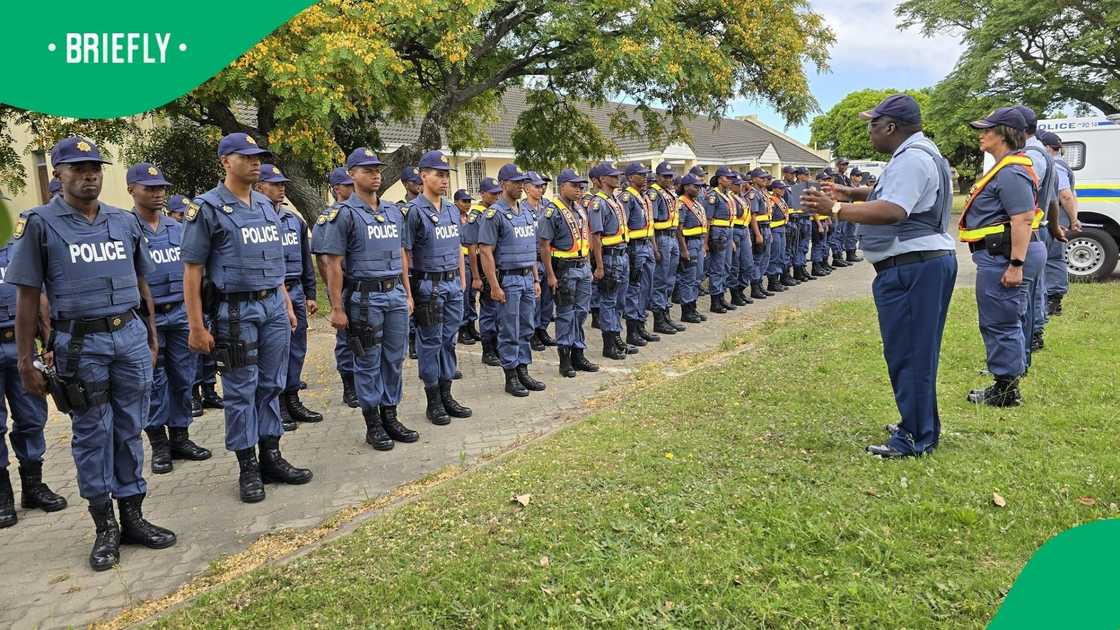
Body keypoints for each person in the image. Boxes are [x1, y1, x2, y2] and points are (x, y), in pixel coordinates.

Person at [7, 136, 176, 569]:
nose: (89, 176)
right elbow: (28, 298)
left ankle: (134, 517)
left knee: (128, 428)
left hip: (129, 337)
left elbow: (141, 282)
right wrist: (27, 360)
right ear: (58, 174)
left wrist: (151, 334)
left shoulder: (123, 222)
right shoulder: (40, 224)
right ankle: (105, 528)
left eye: (95, 168)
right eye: (78, 169)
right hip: (80, 346)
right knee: (92, 435)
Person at [801, 94, 957, 458]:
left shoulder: (912, 159)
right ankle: (919, 423)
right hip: (918, 265)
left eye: (873, 123)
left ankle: (916, 435)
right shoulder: (917, 154)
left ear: (891, 126)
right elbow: (896, 195)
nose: (869, 130)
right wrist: (853, 192)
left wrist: (837, 208)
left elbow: (893, 210)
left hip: (912, 268)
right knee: (915, 351)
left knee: (910, 353)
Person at [181, 132, 313, 504]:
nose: (256, 162)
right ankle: (247, 468)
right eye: (247, 157)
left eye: (259, 157)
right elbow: (192, 271)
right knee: (241, 391)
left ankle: (271, 456)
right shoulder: (206, 208)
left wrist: (285, 301)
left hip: (272, 305)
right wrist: (195, 325)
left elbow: (273, 263)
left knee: (271, 384)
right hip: (235, 311)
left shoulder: (265, 205)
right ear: (225, 161)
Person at [315, 148, 419, 450]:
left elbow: (401, 254)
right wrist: (336, 308)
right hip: (364, 298)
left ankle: (391, 415)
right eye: (367, 170)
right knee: (368, 361)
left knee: (394, 359)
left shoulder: (391, 211)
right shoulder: (344, 214)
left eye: (377, 170)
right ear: (352, 174)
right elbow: (332, 264)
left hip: (395, 295)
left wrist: (407, 293)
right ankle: (373, 423)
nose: (375, 175)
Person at [951, 107, 1042, 406]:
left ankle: (1005, 390)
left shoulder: (1012, 170)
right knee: (1006, 318)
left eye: (987, 129)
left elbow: (1023, 219)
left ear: (1003, 133)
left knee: (1000, 321)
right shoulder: (1005, 167)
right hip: (998, 255)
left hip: (1002, 256)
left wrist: (1016, 264)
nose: (981, 134)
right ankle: (1007, 382)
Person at [128, 163, 212, 474]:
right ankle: (159, 445)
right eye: (149, 188)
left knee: (183, 377)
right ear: (132, 191)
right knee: (152, 382)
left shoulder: (178, 228)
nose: (157, 193)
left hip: (179, 313)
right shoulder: (126, 227)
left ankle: (181, 437)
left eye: (161, 187)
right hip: (145, 318)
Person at [0, 235, 67, 529]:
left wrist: (49, 338)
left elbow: (38, 294)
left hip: (21, 346)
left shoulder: (18, 247)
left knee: (31, 418)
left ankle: (33, 486)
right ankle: (2, 496)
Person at [402, 151, 472, 423]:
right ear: (423, 177)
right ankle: (433, 401)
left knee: (449, 341)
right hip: (427, 287)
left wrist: (462, 281)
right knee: (430, 344)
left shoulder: (453, 210)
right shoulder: (413, 212)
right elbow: (404, 254)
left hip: (453, 284)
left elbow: (456, 245)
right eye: (438, 175)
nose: (444, 181)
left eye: (446, 176)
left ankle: (447, 394)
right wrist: (408, 293)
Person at [254, 164, 322, 429]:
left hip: (295, 290)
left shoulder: (294, 220)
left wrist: (311, 293)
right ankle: (278, 402)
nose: (282, 188)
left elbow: (306, 260)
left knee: (297, 348)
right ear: (260, 187)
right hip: (271, 292)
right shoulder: (256, 218)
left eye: (283, 184)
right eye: (275, 184)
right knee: (276, 351)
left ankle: (292, 397)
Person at [478, 164, 546, 397]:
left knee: (526, 327)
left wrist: (536, 280)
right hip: (508, 280)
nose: (520, 186)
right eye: (515, 182)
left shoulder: (527, 212)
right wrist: (494, 286)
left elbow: (530, 250)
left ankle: (523, 369)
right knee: (509, 330)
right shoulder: (493, 214)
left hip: (528, 278)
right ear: (503, 184)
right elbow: (486, 252)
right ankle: (510, 375)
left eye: (522, 182)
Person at [538, 168, 599, 377]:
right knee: (565, 314)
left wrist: (589, 265)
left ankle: (578, 353)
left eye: (581, 186)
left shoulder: (580, 208)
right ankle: (565, 360)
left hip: (582, 267)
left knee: (581, 312)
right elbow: (544, 246)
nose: (579, 190)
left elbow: (587, 236)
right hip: (564, 270)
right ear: (562, 185)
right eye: (574, 185)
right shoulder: (552, 211)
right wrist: (550, 275)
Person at [311, 167, 359, 408]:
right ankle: (349, 386)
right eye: (349, 186)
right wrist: (335, 296)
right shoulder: (329, 218)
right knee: (346, 340)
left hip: (364, 286)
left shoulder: (362, 212)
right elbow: (324, 261)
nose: (354, 189)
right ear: (337, 189)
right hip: (345, 286)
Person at [587, 162, 633, 360]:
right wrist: (599, 265)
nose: (618, 178)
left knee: (620, 301)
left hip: (622, 255)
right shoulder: (598, 203)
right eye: (613, 176)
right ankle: (609, 344)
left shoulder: (614, 199)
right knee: (608, 301)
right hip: (609, 257)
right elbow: (595, 237)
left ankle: (616, 336)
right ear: (602, 179)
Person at [618, 163, 660, 347]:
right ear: (630, 177)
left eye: (645, 175)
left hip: (646, 246)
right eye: (640, 175)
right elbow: (622, 225)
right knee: (634, 290)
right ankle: (632, 330)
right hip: (634, 248)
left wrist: (654, 247)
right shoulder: (627, 197)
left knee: (646, 288)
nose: (644, 178)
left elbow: (649, 226)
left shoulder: (643, 197)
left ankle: (640, 324)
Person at [1039, 131, 1079, 316]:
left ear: (1047, 147)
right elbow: (1072, 194)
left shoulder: (1054, 165)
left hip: (1055, 219)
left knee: (1053, 258)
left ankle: (1053, 301)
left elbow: (1065, 195)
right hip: (1057, 218)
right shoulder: (1062, 164)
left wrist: (1072, 220)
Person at [649, 162, 687, 334]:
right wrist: (655, 248)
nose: (669, 179)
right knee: (660, 280)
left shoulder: (669, 193)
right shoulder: (654, 194)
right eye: (665, 176)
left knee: (670, 280)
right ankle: (659, 319)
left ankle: (666, 315)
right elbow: (651, 224)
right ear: (657, 177)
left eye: (671, 176)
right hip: (661, 238)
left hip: (672, 237)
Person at [520, 172, 557, 352]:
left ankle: (543, 328)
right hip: (531, 260)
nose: (540, 189)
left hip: (547, 258)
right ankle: (533, 332)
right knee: (535, 299)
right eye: (536, 186)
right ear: (526, 188)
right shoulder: (521, 209)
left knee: (548, 299)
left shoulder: (546, 207)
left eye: (542, 186)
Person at [471, 177, 503, 367]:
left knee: (498, 312)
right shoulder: (478, 214)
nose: (496, 196)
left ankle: (497, 346)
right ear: (482, 194)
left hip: (498, 268)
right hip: (484, 270)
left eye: (498, 192)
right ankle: (488, 350)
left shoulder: (497, 211)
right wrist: (476, 276)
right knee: (489, 312)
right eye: (492, 193)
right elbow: (472, 248)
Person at [702, 166, 737, 313]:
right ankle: (715, 300)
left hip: (728, 232)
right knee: (717, 267)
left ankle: (722, 297)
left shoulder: (727, 195)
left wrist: (732, 239)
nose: (730, 181)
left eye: (731, 178)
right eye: (727, 178)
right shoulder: (713, 195)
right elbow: (708, 220)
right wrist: (705, 242)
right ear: (719, 179)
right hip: (718, 233)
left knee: (726, 266)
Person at [675, 173, 708, 323]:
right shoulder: (682, 203)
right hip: (689, 243)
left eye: (699, 186)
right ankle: (686, 311)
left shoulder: (696, 203)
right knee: (688, 278)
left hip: (699, 242)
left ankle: (693, 308)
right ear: (686, 187)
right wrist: (683, 249)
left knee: (697, 278)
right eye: (695, 186)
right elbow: (678, 229)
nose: (698, 189)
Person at [453, 189, 480, 346]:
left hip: (472, 259)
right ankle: (462, 329)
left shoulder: (468, 218)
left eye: (469, 201)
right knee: (464, 296)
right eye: (464, 201)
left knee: (471, 296)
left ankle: (471, 326)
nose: (467, 204)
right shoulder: (454, 218)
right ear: (456, 202)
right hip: (461, 260)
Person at [747, 168, 776, 297]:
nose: (765, 180)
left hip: (766, 227)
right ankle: (755, 287)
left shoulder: (763, 193)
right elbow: (753, 216)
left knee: (766, 257)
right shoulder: (753, 194)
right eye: (761, 178)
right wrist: (758, 234)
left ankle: (760, 284)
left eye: (766, 178)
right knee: (757, 259)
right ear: (753, 179)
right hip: (758, 228)